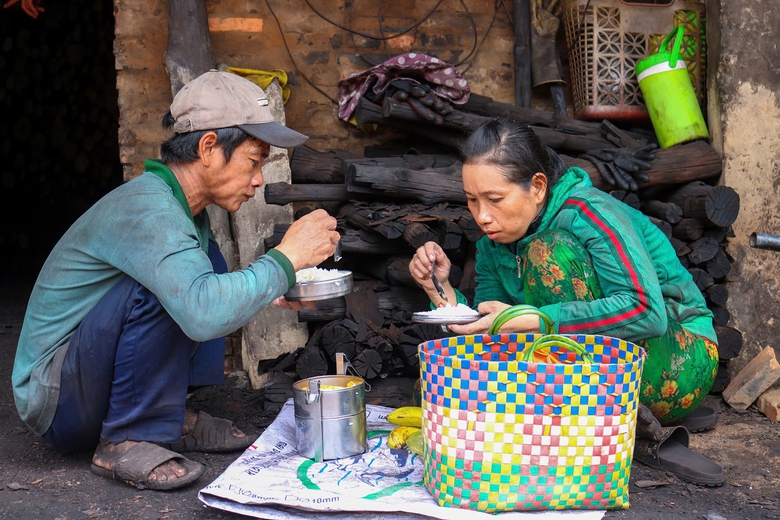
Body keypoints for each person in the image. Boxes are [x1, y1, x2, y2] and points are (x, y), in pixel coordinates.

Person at [12, 70, 340, 490]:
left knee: (208, 264)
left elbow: (206, 296)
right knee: (169, 291)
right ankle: (129, 437)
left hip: (86, 380)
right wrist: (285, 260)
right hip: (56, 400)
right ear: (208, 148)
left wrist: (272, 288)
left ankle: (169, 413)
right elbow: (201, 311)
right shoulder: (150, 211)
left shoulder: (185, 212)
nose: (258, 180)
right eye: (254, 162)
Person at [409, 117, 720, 428]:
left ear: (538, 187)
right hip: (590, 376)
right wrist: (440, 288)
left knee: (547, 250)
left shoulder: (590, 212)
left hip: (680, 361)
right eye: (472, 200)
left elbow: (648, 313)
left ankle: (578, 418)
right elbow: (495, 331)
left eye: (495, 200)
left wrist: (540, 321)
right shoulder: (493, 242)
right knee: (439, 391)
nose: (482, 216)